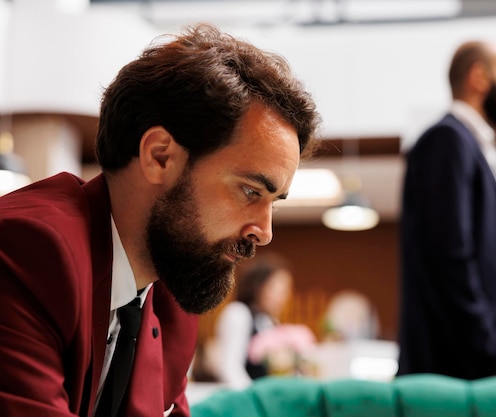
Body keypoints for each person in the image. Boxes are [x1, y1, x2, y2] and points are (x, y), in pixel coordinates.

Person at [0, 24, 320, 416]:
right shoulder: (29, 251)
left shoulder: (172, 293)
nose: (264, 232)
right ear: (160, 156)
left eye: (274, 202)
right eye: (251, 191)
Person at [397, 40, 496, 379]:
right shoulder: (447, 140)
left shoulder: (467, 144)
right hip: (463, 372)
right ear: (479, 77)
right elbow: (450, 257)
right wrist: (492, 356)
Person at [213, 252, 294, 389]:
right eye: (277, 289)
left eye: (285, 291)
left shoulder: (268, 321)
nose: (282, 297)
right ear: (258, 287)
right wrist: (255, 399)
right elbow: (230, 368)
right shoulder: (238, 313)